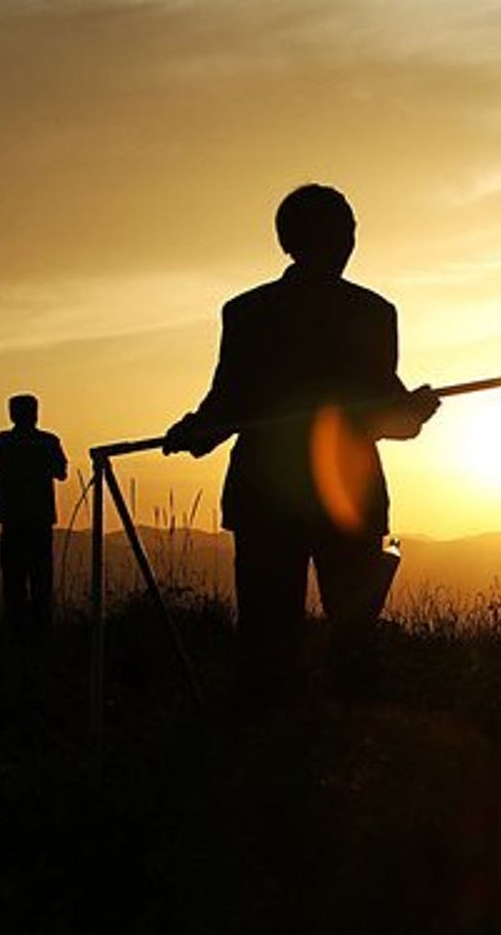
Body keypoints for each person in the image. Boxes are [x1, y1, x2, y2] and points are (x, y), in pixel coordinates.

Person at [163, 184, 439, 708]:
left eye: (352, 229)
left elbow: (228, 405)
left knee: (275, 639)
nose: (351, 240)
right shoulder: (372, 313)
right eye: (344, 230)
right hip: (344, 498)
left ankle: (270, 752)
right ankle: (343, 757)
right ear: (306, 240)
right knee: (345, 640)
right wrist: (414, 413)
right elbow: (389, 420)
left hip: (270, 496)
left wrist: (195, 432)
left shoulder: (249, 312)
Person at [0, 394, 68, 639]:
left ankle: (15, 628)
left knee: (13, 576)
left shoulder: (2, 440)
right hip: (39, 518)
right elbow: (62, 473)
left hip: (12, 518)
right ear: (36, 414)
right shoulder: (49, 441)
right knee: (41, 575)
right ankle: (41, 629)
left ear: (12, 414)